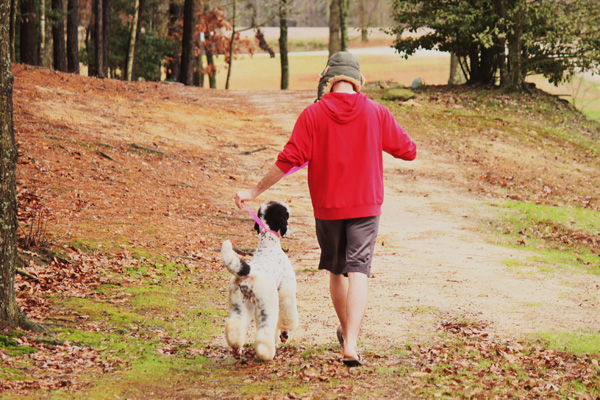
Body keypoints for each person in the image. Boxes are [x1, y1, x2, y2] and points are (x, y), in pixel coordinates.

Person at [234, 51, 417, 366]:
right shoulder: (376, 112)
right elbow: (408, 150)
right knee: (358, 270)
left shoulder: (313, 115)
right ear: (358, 81)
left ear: (328, 80)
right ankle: (351, 344)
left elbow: (288, 159)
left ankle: (346, 332)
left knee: (337, 270)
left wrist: (253, 192)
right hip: (366, 205)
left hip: (328, 208)